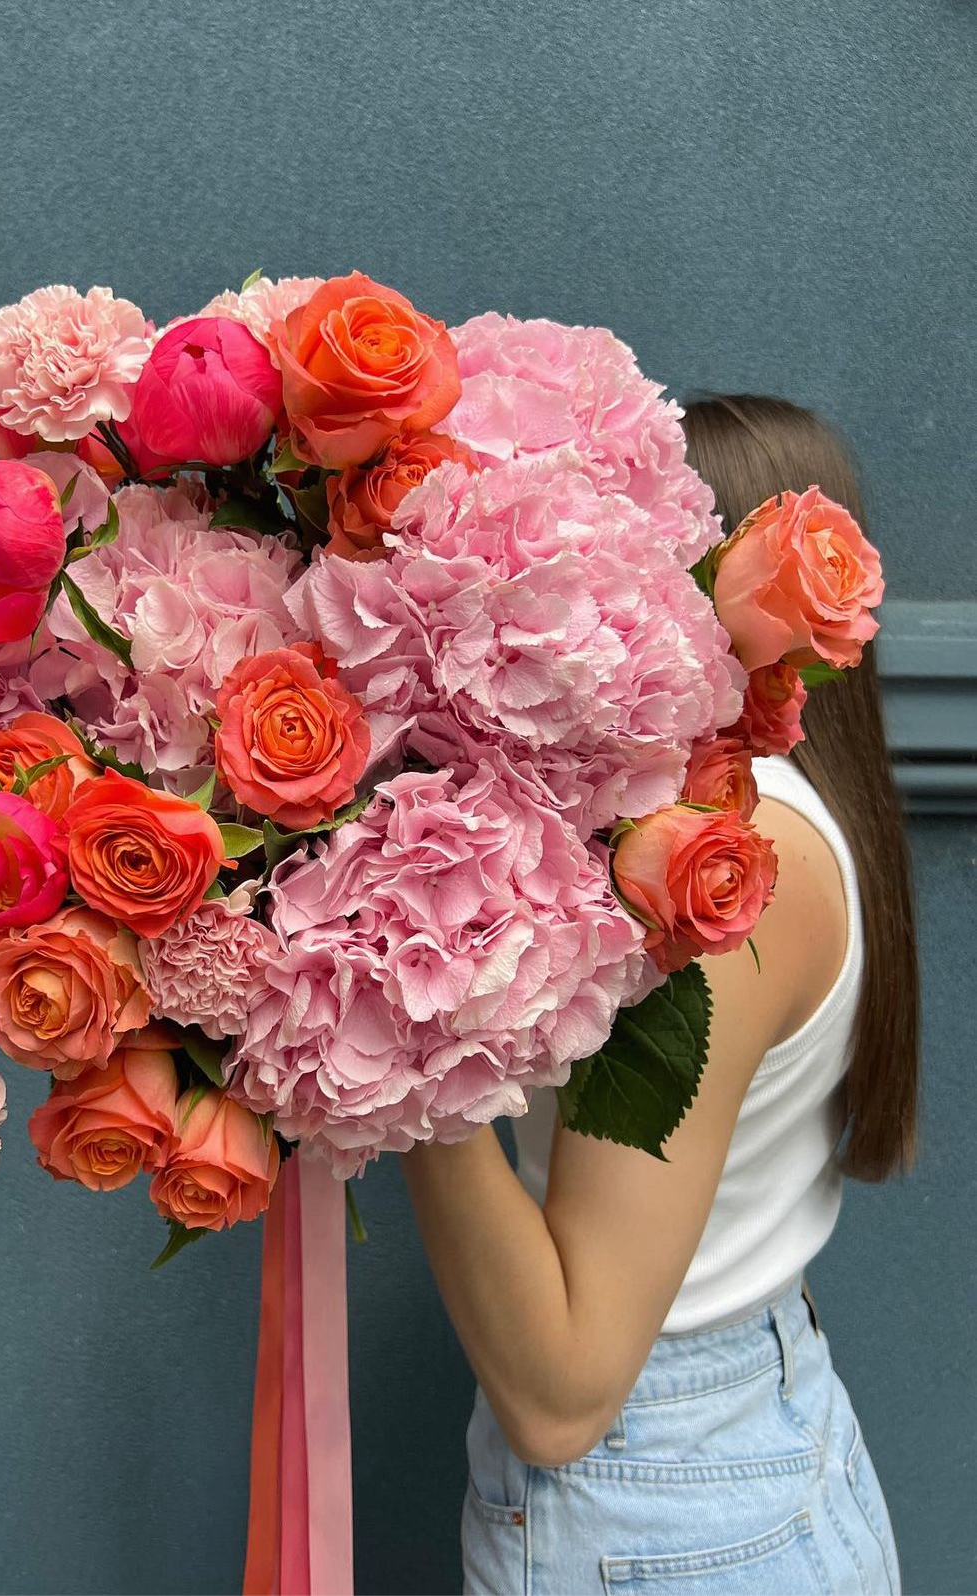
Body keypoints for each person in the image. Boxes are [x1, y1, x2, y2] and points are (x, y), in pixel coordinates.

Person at [403, 394, 917, 1593]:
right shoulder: (771, 810)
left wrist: (389, 1041)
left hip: (662, 1509)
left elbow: (562, 1392)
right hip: (728, 1460)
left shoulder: (733, 863)